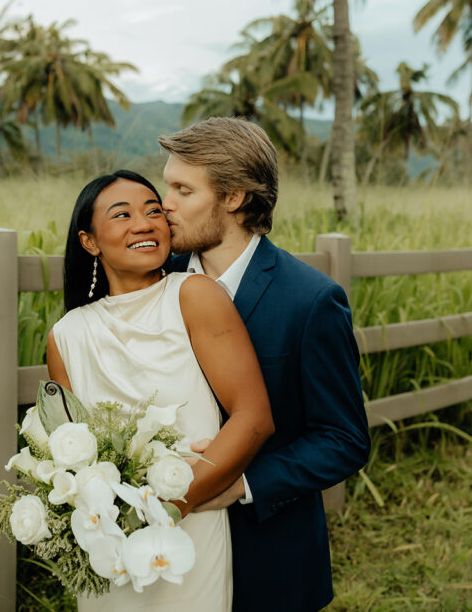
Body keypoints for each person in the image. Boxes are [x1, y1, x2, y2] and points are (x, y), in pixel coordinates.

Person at [158, 117, 370, 612]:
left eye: (183, 189)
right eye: (167, 185)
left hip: (269, 556)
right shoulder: (154, 279)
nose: (164, 203)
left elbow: (344, 439)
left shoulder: (311, 300)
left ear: (233, 198)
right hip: (166, 554)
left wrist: (242, 485)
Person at [46, 169, 275, 612]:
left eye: (154, 211)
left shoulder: (194, 295)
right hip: (108, 539)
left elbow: (253, 417)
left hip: (190, 521)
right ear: (89, 241)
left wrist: (167, 507)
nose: (145, 223)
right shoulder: (67, 336)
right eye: (122, 215)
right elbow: (68, 450)